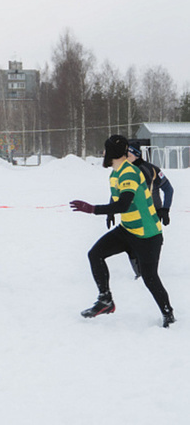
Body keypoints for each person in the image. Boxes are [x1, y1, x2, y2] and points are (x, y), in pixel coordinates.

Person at [70, 135, 174, 328]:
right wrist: (109, 211)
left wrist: (93, 209)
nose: (102, 153)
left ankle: (168, 314)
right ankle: (105, 300)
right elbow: (120, 201)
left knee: (150, 278)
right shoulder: (116, 173)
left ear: (111, 153)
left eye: (105, 149)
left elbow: (124, 204)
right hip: (128, 229)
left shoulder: (129, 173)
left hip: (147, 234)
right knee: (95, 254)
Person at [124, 141, 174, 279]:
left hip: (152, 214)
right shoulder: (124, 172)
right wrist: (111, 210)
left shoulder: (151, 170)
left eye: (127, 154)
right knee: (131, 244)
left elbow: (168, 189)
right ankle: (140, 274)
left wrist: (165, 209)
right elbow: (119, 192)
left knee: (151, 242)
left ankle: (148, 273)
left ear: (135, 154)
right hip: (133, 214)